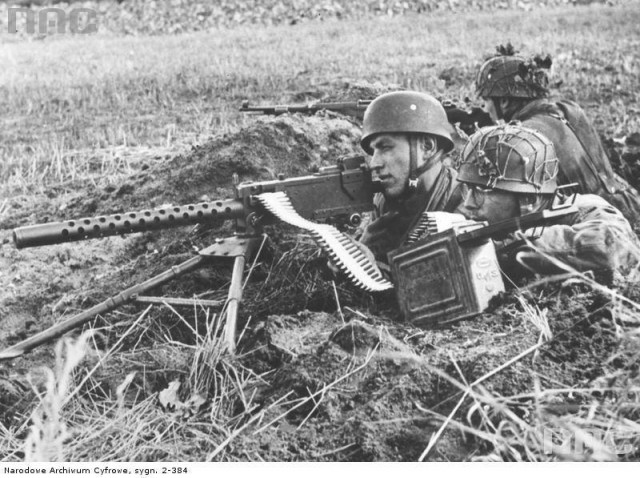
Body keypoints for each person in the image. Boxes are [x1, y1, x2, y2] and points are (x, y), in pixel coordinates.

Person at [475, 44, 640, 226]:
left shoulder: (525, 137)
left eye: (486, 100)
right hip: (628, 205)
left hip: (594, 223)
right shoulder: (569, 109)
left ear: (504, 101)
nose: (485, 108)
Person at [455, 123, 640, 282]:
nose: (468, 203)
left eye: (483, 190)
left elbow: (611, 244)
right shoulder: (482, 217)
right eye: (467, 189)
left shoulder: (585, 208)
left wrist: (505, 250)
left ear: (530, 198)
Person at [357, 91, 463, 262]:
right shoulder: (384, 201)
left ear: (427, 147)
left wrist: (377, 272)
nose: (374, 163)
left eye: (385, 147)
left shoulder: (464, 203)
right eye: (373, 151)